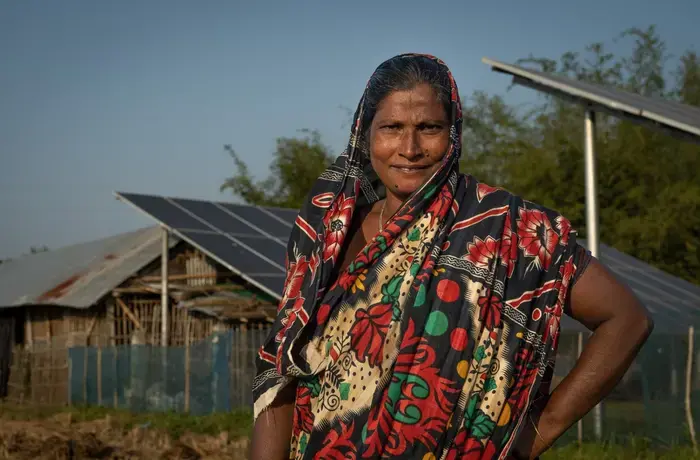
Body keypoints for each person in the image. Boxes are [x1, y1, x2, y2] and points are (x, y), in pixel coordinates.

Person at [249, 53, 653, 460]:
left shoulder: (506, 229)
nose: (409, 148)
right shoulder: (328, 230)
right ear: (364, 133)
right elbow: (282, 371)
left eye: (429, 128)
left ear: (454, 133)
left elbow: (627, 320)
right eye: (391, 127)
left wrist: (533, 434)